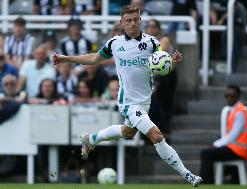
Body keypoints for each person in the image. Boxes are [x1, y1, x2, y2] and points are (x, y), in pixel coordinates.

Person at [53, 5, 202, 186]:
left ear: (140, 20)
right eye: (128, 21)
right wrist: (66, 58)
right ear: (122, 22)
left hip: (145, 100)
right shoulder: (115, 43)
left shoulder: (152, 42)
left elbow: (160, 63)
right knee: (156, 136)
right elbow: (93, 59)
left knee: (128, 131)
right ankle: (188, 175)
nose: (132, 24)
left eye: (135, 20)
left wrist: (171, 61)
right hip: (128, 102)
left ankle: (91, 139)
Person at [200, 85, 247, 183]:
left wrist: (216, 144)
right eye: (227, 96)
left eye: (232, 96)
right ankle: (231, 179)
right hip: (235, 148)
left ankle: (206, 183)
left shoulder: (240, 112)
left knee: (206, 154)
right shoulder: (234, 110)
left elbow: (233, 136)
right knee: (209, 151)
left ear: (238, 97)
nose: (229, 98)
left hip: (239, 150)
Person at [145, 19, 176, 135]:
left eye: (153, 26)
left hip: (165, 75)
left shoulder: (164, 39)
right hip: (152, 74)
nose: (151, 28)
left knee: (164, 100)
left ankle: (165, 126)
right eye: (148, 26)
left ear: (158, 28)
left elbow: (159, 57)